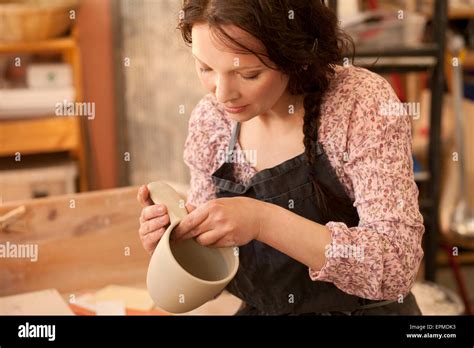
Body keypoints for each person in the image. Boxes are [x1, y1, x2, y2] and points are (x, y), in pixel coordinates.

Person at [137, 0, 424, 315]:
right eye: (205, 68)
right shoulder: (212, 121)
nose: (221, 94)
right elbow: (215, 278)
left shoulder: (359, 103)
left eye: (248, 74)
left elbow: (396, 266)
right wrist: (178, 247)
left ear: (295, 55)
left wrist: (261, 221)